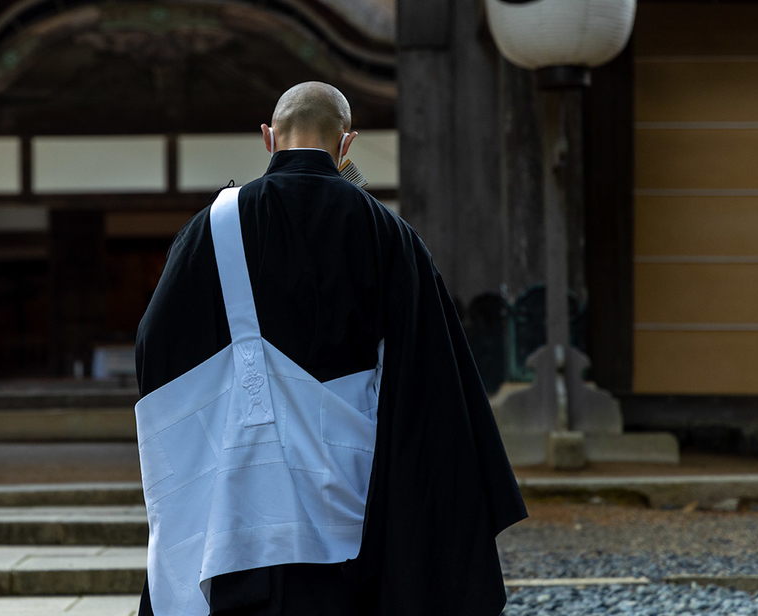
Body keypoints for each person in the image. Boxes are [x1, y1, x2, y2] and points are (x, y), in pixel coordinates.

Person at [135, 81, 527, 616]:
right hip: (351, 481)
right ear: (347, 145)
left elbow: (156, 345)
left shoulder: (214, 226)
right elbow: (431, 370)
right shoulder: (386, 231)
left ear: (268, 139)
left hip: (246, 491)